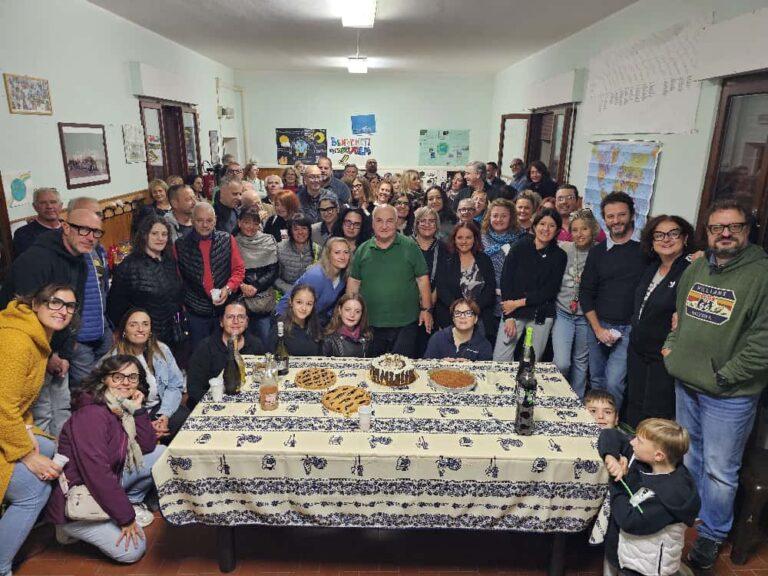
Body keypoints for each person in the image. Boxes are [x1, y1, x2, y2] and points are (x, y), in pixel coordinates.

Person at [662, 198, 768, 570]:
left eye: (733, 227)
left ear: (746, 230)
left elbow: (763, 342)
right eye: (716, 227)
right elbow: (680, 317)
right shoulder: (697, 267)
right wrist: (672, 351)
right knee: (691, 457)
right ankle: (691, 518)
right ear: (706, 232)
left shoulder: (762, 275)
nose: (724, 234)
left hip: (730, 395)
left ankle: (711, 534)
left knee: (720, 470)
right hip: (687, 382)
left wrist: (724, 377)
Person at [46, 355, 166, 563]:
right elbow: (96, 473)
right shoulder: (92, 414)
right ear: (104, 379)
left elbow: (147, 447)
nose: (126, 383)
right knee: (133, 551)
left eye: (132, 377)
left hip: (108, 478)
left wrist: (138, 411)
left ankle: (128, 502)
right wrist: (126, 518)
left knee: (161, 455)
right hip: (79, 495)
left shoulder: (121, 408)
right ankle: (68, 529)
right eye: (117, 377)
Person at [1, 208, 101, 436]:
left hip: (57, 350)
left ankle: (66, 458)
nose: (90, 237)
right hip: (30, 350)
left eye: (96, 232)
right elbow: (28, 309)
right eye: (83, 229)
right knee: (42, 415)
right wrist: (49, 355)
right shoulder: (35, 260)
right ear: (65, 227)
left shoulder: (81, 259)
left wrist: (64, 354)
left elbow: (76, 308)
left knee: (63, 408)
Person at [0, 284, 76, 575]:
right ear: (35, 304)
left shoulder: (37, 337)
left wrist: (30, 434)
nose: (63, 310)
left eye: (69, 306)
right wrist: (27, 455)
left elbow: (19, 404)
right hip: (3, 424)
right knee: (32, 489)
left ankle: (56, 521)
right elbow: (2, 405)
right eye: (55, 303)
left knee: (56, 449)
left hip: (9, 425)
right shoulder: (17, 341)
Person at [598, 418, 700, 576]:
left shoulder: (671, 494)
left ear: (658, 455)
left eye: (638, 440)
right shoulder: (645, 458)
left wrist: (618, 480)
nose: (632, 443)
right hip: (628, 554)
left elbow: (629, 521)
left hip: (645, 568)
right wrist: (610, 457)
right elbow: (610, 434)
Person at [625, 215, 695, 428]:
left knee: (656, 412)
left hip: (663, 354)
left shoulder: (691, 270)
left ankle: (652, 458)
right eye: (659, 235)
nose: (666, 239)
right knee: (635, 404)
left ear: (685, 238)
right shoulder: (651, 266)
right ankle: (633, 455)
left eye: (673, 233)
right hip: (638, 348)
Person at [579, 192, 646, 411]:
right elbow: (586, 292)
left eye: (621, 215)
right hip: (598, 325)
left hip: (628, 328)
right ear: (604, 219)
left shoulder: (646, 250)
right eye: (610, 216)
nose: (616, 221)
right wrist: (597, 328)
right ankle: (596, 429)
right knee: (597, 380)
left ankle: (611, 429)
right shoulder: (598, 252)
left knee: (614, 382)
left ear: (632, 215)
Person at [347, 205, 432, 357]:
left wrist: (426, 310)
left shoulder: (410, 246)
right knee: (373, 372)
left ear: (397, 223)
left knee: (403, 371)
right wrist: (349, 313)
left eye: (389, 221)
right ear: (372, 224)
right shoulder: (362, 250)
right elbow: (353, 283)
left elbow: (422, 279)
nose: (384, 226)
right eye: (379, 221)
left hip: (406, 324)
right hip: (370, 324)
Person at [494, 208, 567, 361]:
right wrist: (508, 315)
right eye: (542, 224)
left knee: (530, 362)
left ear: (558, 230)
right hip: (512, 312)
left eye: (551, 225)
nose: (546, 229)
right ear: (534, 226)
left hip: (540, 312)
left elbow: (549, 290)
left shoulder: (559, 256)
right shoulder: (520, 247)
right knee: (500, 359)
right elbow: (506, 280)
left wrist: (518, 303)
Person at [107, 309, 189, 441]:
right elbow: (113, 402)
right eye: (133, 325)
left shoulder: (161, 350)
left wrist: (164, 415)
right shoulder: (114, 359)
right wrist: (144, 425)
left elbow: (175, 385)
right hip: (130, 415)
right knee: (144, 435)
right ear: (124, 330)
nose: (140, 329)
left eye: (145, 324)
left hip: (158, 407)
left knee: (184, 419)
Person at [107, 216, 184, 348]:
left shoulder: (170, 261)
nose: (160, 238)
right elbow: (115, 307)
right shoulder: (128, 266)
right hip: (142, 336)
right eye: (154, 234)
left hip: (171, 332)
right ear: (144, 236)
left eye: (164, 234)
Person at [175, 202, 245, 348]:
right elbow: (177, 279)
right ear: (192, 221)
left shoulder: (227, 239)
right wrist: (184, 305)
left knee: (230, 351)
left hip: (226, 309)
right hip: (196, 311)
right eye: (200, 221)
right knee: (200, 353)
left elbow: (238, 270)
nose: (205, 225)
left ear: (215, 220)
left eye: (209, 220)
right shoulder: (180, 245)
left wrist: (228, 288)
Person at [552, 209, 600, 399]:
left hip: (586, 317)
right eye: (575, 230)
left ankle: (577, 400)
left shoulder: (599, 253)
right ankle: (556, 395)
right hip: (563, 312)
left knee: (581, 362)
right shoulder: (564, 248)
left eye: (584, 229)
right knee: (562, 362)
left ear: (593, 229)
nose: (580, 234)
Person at [186, 300, 265, 409]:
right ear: (221, 322)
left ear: (247, 322)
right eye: (230, 317)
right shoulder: (205, 347)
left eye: (241, 317)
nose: (235, 321)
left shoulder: (256, 344)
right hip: (214, 404)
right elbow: (194, 388)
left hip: (248, 404)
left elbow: (263, 377)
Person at [434, 222, 496, 341]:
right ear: (454, 239)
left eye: (468, 237)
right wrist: (460, 310)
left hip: (480, 316)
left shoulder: (484, 259)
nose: (464, 241)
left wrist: (473, 309)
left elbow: (490, 288)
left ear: (475, 239)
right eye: (460, 237)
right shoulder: (446, 260)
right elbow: (442, 289)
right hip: (452, 317)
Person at [481, 198, 525, 343]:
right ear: (489, 216)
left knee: (507, 341)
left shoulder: (521, 238)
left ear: (511, 217)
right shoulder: (481, 237)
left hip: (511, 298)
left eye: (503, 216)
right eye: (495, 215)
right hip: (486, 298)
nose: (498, 219)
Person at [276, 237, 350, 322]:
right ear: (328, 255)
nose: (342, 257)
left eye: (346, 252)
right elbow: (302, 309)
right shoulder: (316, 276)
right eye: (337, 252)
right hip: (288, 318)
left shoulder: (343, 277)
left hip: (313, 320)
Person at [235, 208, 278, 346]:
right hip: (241, 299)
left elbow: (273, 270)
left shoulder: (268, 240)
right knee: (241, 343)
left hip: (264, 301)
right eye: (246, 222)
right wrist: (242, 285)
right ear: (239, 223)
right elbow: (230, 270)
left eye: (255, 223)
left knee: (267, 342)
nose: (251, 226)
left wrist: (256, 286)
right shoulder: (233, 243)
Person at [425, 297, 493, 361]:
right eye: (457, 313)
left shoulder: (484, 345)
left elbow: (486, 372)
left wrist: (469, 368)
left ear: (476, 319)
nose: (462, 316)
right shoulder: (438, 338)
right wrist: (441, 365)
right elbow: (425, 367)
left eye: (468, 313)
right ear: (453, 319)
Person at [269, 284, 322, 356]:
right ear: (291, 302)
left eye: (309, 304)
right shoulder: (279, 329)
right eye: (299, 302)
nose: (304, 308)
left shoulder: (316, 328)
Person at [12, 187, 63, 257]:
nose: (49, 206)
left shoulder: (70, 228)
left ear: (60, 206)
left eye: (53, 202)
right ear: (35, 207)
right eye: (43, 203)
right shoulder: (23, 234)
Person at [275, 214, 319, 295]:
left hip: (309, 293)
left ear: (309, 230)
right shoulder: (280, 248)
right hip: (286, 293)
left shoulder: (317, 249)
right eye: (296, 229)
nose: (300, 232)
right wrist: (290, 290)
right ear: (290, 231)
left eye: (304, 228)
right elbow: (274, 278)